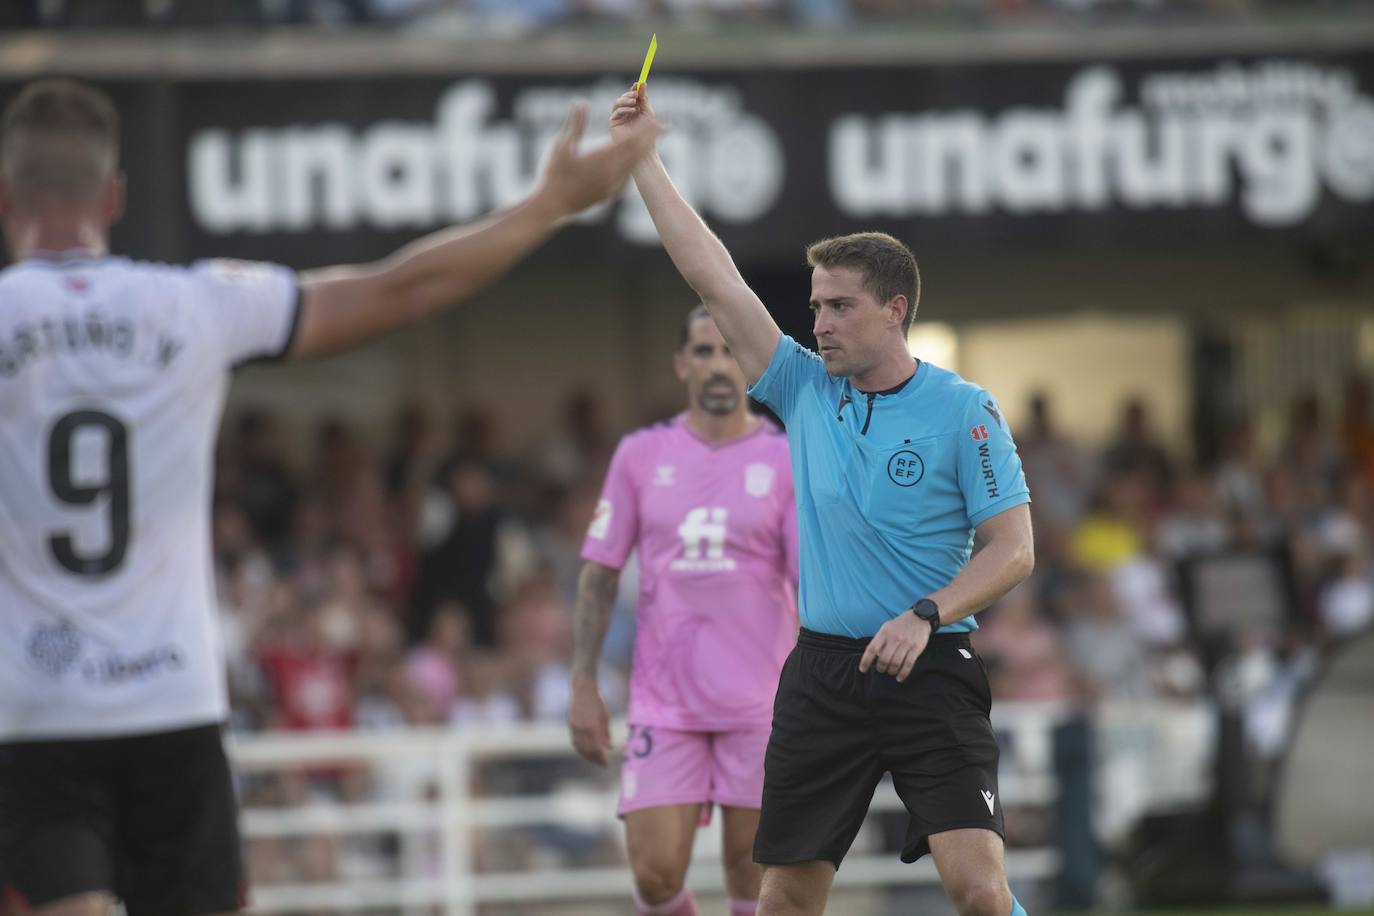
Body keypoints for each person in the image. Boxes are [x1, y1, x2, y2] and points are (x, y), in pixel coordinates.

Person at [0, 77, 656, 916]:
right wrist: (550, 203)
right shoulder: (192, 304)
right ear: (115, 195)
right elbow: (401, 290)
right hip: (171, 702)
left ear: (7, 194)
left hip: (38, 711)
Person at [609, 87, 1035, 916]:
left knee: (979, 891)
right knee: (784, 903)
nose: (821, 323)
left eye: (840, 306)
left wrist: (926, 614)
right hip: (823, 676)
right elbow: (711, 273)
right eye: (815, 307)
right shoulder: (802, 387)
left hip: (933, 668)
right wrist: (644, 162)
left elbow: (1013, 550)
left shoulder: (963, 409)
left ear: (895, 310)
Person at [568, 305, 799, 916]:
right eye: (703, 352)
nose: (718, 366)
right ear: (681, 365)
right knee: (653, 873)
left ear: (748, 363)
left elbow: (812, 580)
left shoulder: (785, 458)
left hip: (762, 705)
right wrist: (584, 681)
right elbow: (600, 571)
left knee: (752, 880)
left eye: (729, 351)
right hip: (665, 704)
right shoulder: (640, 455)